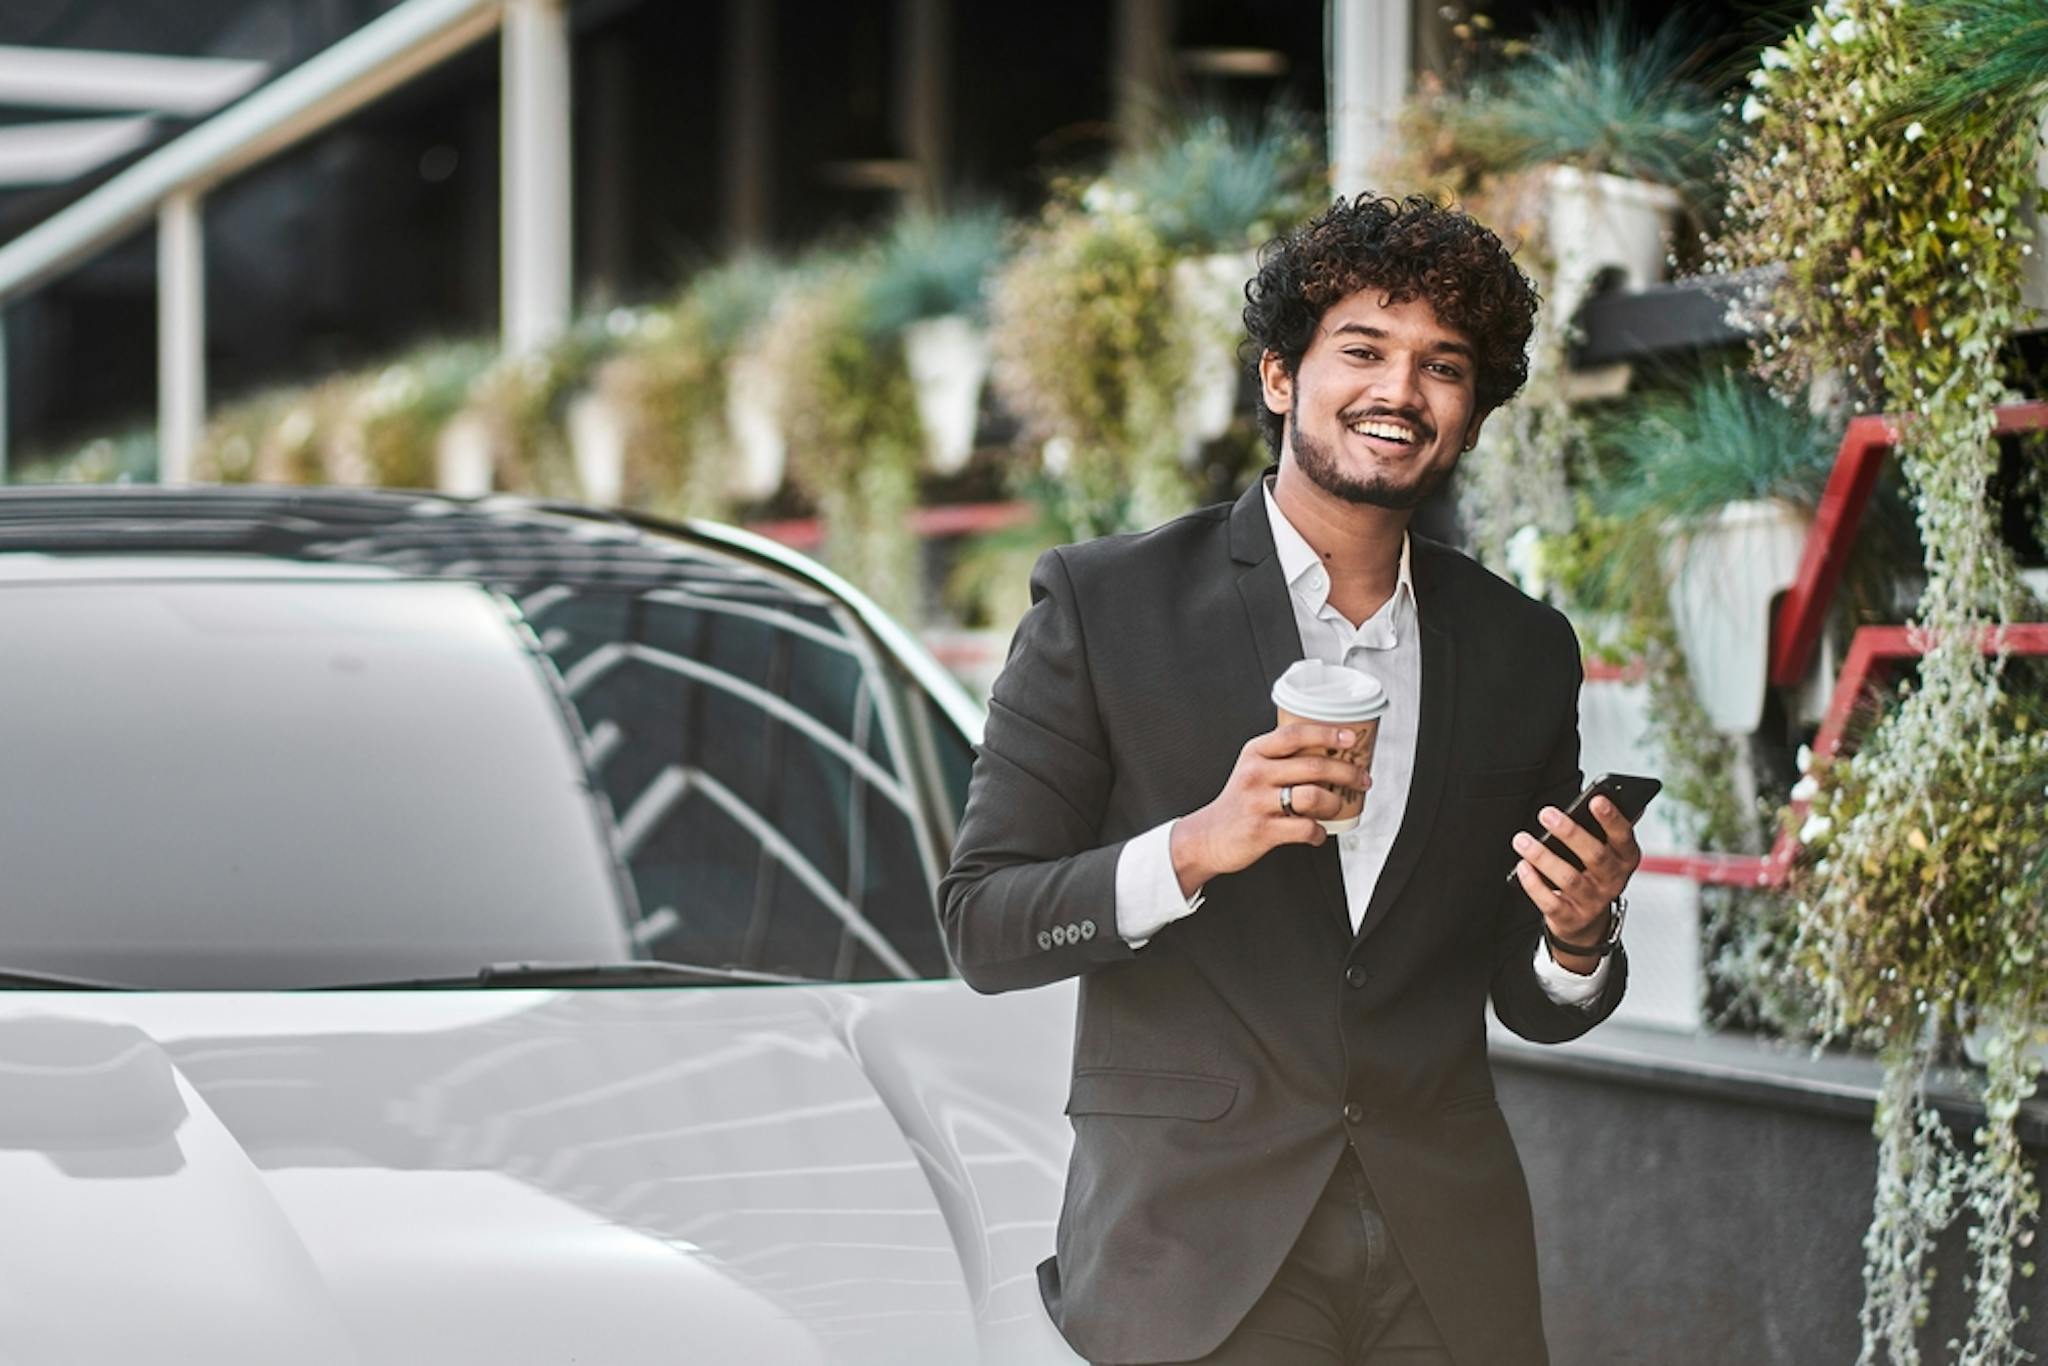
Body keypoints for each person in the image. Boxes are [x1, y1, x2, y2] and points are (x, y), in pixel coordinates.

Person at [939, 194, 1642, 1366]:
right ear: (1279, 376)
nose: (1398, 392)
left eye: (1441, 366)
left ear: (1471, 409)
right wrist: (1195, 845)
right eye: (1361, 350)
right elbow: (983, 926)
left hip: (1443, 1256)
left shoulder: (1521, 648)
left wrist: (1574, 938)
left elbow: (1522, 996)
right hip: (1195, 1251)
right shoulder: (1104, 606)